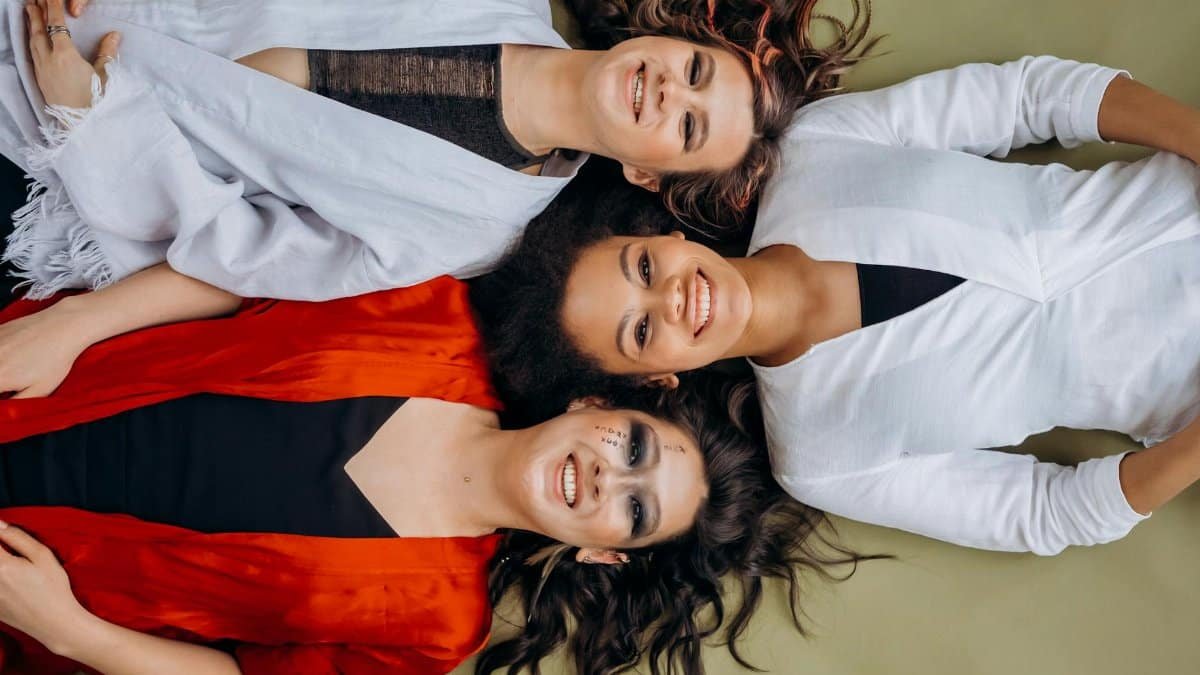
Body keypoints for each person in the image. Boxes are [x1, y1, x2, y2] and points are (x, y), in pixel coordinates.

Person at [471, 51, 1200, 556]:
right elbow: (1046, 513)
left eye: (642, 267)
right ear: (649, 380)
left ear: (659, 234)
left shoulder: (818, 147)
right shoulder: (820, 458)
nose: (673, 297)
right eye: (639, 330)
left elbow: (1030, 96)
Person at [0, 277, 859, 674]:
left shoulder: (441, 626)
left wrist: (74, 634)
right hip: (29, 368)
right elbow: (237, 277)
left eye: (635, 514)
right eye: (633, 448)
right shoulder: (437, 315)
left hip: (23, 583)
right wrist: (74, 323)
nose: (607, 479)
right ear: (599, 402)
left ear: (605, 555)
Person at [0, 0, 874, 303]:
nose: (667, 91)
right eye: (693, 71)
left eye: (687, 127)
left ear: (646, 174)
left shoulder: (477, 225)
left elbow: (251, 253)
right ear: (666, 33)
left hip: (60, 157)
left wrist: (95, 123)